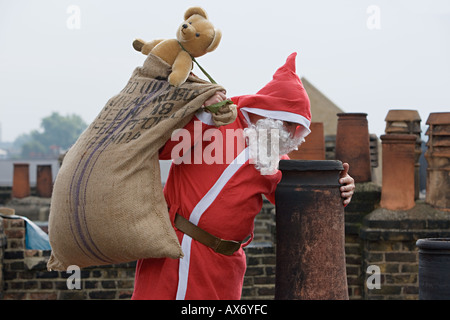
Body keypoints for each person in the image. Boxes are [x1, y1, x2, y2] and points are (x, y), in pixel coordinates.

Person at [131, 52, 355, 300]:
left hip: (225, 266)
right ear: (270, 110)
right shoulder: (216, 117)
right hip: (176, 251)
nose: (291, 135)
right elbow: (163, 149)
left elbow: (303, 201)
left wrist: (339, 190)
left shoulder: (272, 156)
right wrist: (202, 115)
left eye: (296, 129)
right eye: (289, 124)